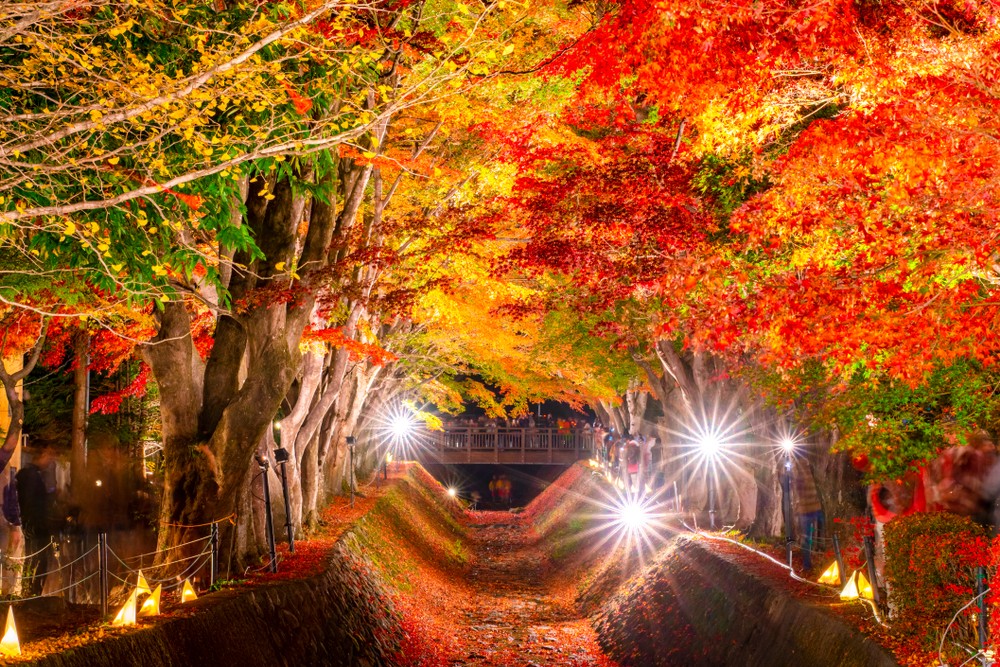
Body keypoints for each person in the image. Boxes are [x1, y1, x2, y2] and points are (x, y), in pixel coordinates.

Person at [16, 447, 56, 597]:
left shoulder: (29, 474)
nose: (50, 462)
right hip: (35, 524)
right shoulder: (32, 476)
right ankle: (33, 591)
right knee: (38, 558)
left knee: (35, 558)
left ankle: (31, 590)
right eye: (49, 458)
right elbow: (30, 501)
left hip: (33, 523)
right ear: (42, 455)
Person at [791, 456, 823, 571]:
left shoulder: (800, 475)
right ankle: (808, 563)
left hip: (807, 511)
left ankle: (808, 564)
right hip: (813, 509)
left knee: (807, 538)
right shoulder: (808, 473)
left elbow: (799, 491)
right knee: (812, 538)